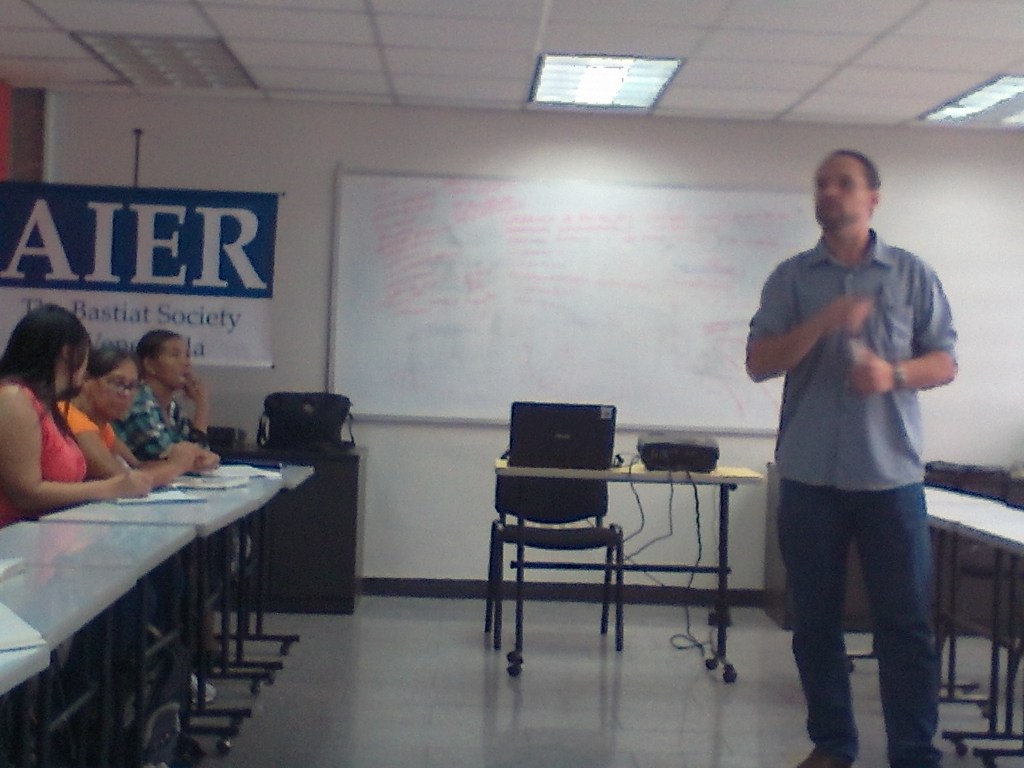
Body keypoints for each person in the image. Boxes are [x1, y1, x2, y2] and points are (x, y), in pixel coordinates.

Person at [746, 150, 958, 768]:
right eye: (822, 184)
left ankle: (913, 753)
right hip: (809, 477)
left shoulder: (912, 275)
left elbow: (944, 361)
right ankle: (833, 746)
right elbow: (759, 362)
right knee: (814, 623)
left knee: (905, 626)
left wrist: (893, 374)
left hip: (889, 479)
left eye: (844, 183)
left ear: (873, 199)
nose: (830, 193)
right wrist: (824, 322)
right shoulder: (791, 279)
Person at [0, 304, 151, 527]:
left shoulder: (50, 405)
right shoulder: (15, 398)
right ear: (68, 353)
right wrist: (110, 488)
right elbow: (26, 493)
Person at [61, 344, 207, 485]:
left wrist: (192, 461)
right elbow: (121, 480)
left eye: (132, 386)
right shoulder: (70, 415)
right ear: (85, 380)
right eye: (118, 383)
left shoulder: (102, 424)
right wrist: (177, 466)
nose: (126, 394)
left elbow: (137, 466)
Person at [114, 329, 219, 470]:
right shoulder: (138, 401)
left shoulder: (172, 407)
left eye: (187, 355)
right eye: (175, 355)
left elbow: (200, 454)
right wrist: (197, 458)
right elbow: (169, 459)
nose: (186, 363)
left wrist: (202, 405)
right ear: (149, 365)